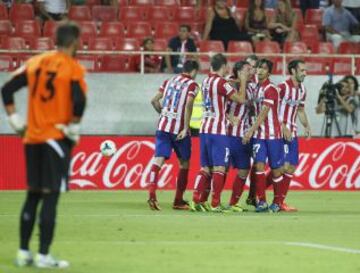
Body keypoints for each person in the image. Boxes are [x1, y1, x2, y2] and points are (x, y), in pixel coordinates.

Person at [1, 21, 86, 268]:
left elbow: (7, 89)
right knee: (50, 197)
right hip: (55, 139)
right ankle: (44, 255)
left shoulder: (35, 62)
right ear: (73, 42)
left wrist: (15, 119)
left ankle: (23, 252)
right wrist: (74, 126)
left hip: (32, 138)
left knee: (33, 194)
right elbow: (79, 102)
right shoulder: (72, 68)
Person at [190, 53, 246, 213]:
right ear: (224, 66)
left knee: (205, 168)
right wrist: (242, 80)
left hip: (204, 128)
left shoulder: (206, 81)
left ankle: (196, 200)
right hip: (218, 130)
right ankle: (215, 203)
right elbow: (240, 99)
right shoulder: (221, 83)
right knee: (220, 168)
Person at [147, 60, 200, 211]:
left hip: (163, 127)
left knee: (158, 160)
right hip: (179, 131)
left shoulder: (169, 80)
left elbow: (154, 100)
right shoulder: (192, 85)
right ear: (194, 71)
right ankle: (178, 200)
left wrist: (164, 114)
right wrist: (185, 127)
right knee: (184, 163)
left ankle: (152, 195)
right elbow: (189, 103)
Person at [242, 58, 284, 213]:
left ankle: (278, 201)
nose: (260, 70)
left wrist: (250, 130)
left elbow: (264, 113)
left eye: (264, 68)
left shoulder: (271, 89)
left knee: (276, 170)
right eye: (258, 67)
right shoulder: (256, 87)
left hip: (273, 135)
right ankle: (262, 202)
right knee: (259, 166)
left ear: (269, 72)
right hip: (260, 135)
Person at [278, 60, 311, 212]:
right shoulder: (282, 88)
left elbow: (300, 110)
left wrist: (307, 125)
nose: (305, 73)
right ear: (292, 71)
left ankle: (280, 202)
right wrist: (283, 126)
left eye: (305, 70)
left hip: (293, 132)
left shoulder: (302, 90)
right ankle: (257, 193)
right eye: (302, 70)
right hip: (279, 131)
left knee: (290, 168)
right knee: (282, 167)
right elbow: (271, 109)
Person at [225, 60, 253, 212]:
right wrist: (229, 117)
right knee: (221, 168)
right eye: (248, 69)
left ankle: (233, 203)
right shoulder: (230, 84)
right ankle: (209, 201)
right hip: (229, 134)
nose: (251, 72)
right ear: (239, 71)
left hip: (244, 135)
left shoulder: (251, 87)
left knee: (243, 169)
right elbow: (220, 105)